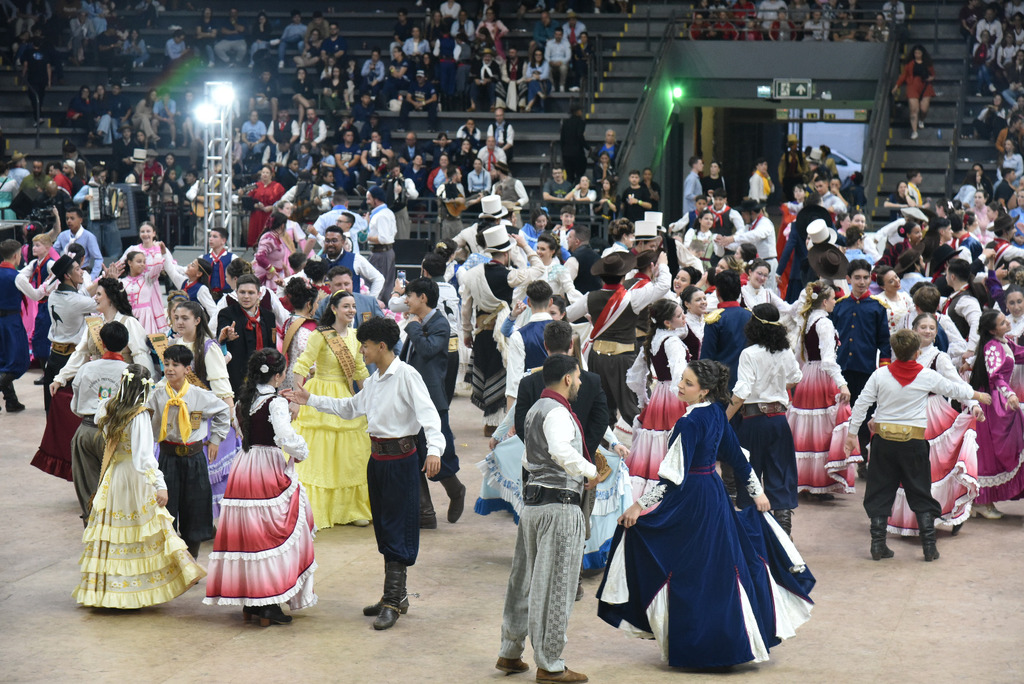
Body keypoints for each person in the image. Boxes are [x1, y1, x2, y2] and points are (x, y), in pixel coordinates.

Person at [597, 359, 814, 669]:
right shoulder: (714, 412)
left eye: (687, 383)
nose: (679, 386)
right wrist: (757, 491)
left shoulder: (690, 422)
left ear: (704, 391)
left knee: (688, 569)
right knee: (718, 569)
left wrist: (637, 506)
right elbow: (737, 459)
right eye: (681, 380)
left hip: (692, 501)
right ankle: (726, 642)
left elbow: (672, 478)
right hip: (713, 495)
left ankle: (700, 645)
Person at [284, 317, 445, 631]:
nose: (362, 352)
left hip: (401, 461)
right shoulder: (374, 381)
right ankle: (396, 595)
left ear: (381, 346)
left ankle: (392, 601)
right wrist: (310, 399)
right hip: (377, 462)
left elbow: (429, 415)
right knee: (384, 527)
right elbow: (349, 408)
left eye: (366, 346)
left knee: (399, 526)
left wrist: (436, 450)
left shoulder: (407, 376)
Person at [494, 354, 596, 682]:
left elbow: (527, 459)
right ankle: (550, 663)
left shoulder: (536, 410)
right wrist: (590, 471)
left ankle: (510, 652)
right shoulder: (558, 413)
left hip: (534, 506)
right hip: (560, 507)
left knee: (523, 581)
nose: (579, 382)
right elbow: (562, 451)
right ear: (567, 378)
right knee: (556, 585)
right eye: (577, 377)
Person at [846, 329, 989, 561]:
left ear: (894, 351)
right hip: (913, 443)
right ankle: (929, 546)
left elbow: (862, 404)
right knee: (920, 491)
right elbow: (953, 389)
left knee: (880, 491)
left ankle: (877, 545)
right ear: (916, 352)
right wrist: (978, 396)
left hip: (883, 443)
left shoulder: (880, 375)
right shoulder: (925, 376)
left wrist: (852, 434)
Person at [73, 364, 206, 608]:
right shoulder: (139, 415)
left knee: (114, 533)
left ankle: (108, 592)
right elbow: (143, 457)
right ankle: (132, 593)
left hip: (113, 475)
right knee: (139, 532)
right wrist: (160, 484)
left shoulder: (106, 407)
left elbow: (102, 428)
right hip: (134, 478)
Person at [204, 349, 316, 627]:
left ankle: (252, 602)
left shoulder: (243, 401)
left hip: (244, 465)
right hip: (268, 467)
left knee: (248, 533)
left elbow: (241, 432)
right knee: (269, 534)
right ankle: (266, 602)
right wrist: (301, 450)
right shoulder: (275, 402)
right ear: (278, 376)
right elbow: (284, 437)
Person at [886, 314, 982, 535]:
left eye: (931, 327)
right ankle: (912, 517)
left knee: (934, 467)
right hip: (905, 412)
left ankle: (943, 513)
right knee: (908, 466)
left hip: (933, 412)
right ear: (914, 329)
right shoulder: (902, 355)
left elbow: (955, 383)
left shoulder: (939, 357)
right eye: (923, 327)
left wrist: (973, 403)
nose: (927, 331)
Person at [292, 290, 373, 528]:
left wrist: (373, 395)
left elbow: (360, 372)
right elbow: (303, 364)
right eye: (346, 306)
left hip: (345, 397)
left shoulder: (357, 336)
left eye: (353, 306)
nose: (351, 311)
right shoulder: (321, 334)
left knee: (348, 456)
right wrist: (297, 397)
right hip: (318, 395)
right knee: (320, 455)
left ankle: (350, 508)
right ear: (334, 309)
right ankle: (313, 508)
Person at [565, 250, 671, 429]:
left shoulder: (589, 298)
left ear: (601, 277)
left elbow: (566, 315)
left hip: (597, 358)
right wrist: (663, 265)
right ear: (623, 276)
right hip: (624, 358)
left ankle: (603, 451)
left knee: (602, 409)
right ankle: (644, 449)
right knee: (632, 409)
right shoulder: (632, 298)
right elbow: (663, 286)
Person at [725, 303, 803, 535]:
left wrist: (723, 418)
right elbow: (795, 377)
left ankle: (754, 534)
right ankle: (783, 534)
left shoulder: (749, 354)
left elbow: (741, 394)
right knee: (780, 473)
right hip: (779, 420)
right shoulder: (785, 351)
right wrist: (776, 387)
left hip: (753, 421)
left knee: (749, 474)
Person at [148, 344, 231, 560]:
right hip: (167, 458)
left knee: (194, 509)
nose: (170, 369)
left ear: (187, 369)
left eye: (176, 365)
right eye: (166, 364)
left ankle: (191, 561)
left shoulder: (198, 395)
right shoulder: (156, 394)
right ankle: (169, 561)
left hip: (194, 459)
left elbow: (223, 410)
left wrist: (215, 439)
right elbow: (144, 419)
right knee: (166, 509)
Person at [460, 226, 545, 433]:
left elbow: (466, 308)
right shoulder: (509, 276)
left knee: (487, 371)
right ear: (506, 253)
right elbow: (540, 269)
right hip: (502, 333)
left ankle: (490, 422)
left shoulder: (471, 275)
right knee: (501, 373)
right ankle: (496, 422)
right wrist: (525, 245)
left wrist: (467, 332)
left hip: (481, 333)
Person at [397, 277, 466, 529]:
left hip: (432, 400)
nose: (406, 300)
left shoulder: (439, 323)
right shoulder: (419, 322)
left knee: (439, 453)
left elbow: (428, 350)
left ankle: (456, 490)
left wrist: (413, 327)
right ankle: (425, 512)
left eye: (410, 296)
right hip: (411, 399)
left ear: (423, 298)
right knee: (411, 454)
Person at [168, 300, 238, 518]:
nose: (179, 322)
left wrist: (224, 427)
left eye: (185, 318)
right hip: (179, 422)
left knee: (210, 476)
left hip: (206, 422)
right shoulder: (173, 345)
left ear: (197, 320)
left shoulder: (209, 347)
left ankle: (211, 524)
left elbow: (223, 390)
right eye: (176, 317)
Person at [789, 281, 857, 497]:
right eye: (833, 298)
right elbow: (828, 360)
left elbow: (801, 355)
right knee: (823, 430)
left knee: (808, 430)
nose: (835, 302)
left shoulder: (807, 320)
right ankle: (819, 482)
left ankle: (807, 480)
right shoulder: (824, 323)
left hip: (808, 375)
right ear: (825, 301)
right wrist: (842, 383)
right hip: (822, 378)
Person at [624, 299, 691, 500]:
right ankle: (671, 492)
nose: (683, 317)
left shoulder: (654, 340)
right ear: (667, 323)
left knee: (657, 443)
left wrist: (644, 399)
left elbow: (636, 376)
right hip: (674, 396)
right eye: (679, 315)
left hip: (659, 396)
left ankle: (648, 494)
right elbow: (679, 373)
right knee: (673, 441)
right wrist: (688, 398)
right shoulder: (672, 342)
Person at [65, 321, 130, 523]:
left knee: (87, 484)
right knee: (116, 484)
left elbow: (75, 404)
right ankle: (113, 528)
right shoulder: (130, 371)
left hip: (86, 429)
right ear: (126, 345)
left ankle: (91, 525)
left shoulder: (86, 369)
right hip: (116, 434)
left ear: (101, 342)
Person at [832, 259, 892, 462]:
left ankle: (865, 459)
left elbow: (884, 342)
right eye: (857, 277)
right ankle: (841, 457)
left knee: (866, 414)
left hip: (866, 369)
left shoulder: (877, 307)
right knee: (841, 414)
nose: (862, 282)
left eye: (866, 277)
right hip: (842, 370)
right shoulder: (839, 306)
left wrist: (884, 370)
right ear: (848, 279)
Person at [969, 310, 1024, 518]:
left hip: (999, 400)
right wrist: (1009, 394)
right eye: (1002, 322)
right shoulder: (992, 347)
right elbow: (995, 376)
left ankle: (983, 502)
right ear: (992, 330)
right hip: (991, 403)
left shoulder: (1004, 342)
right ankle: (982, 502)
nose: (1007, 322)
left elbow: (1020, 354)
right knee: (988, 454)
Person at [700, 269, 753, 389]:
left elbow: (706, 358)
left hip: (722, 383)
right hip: (748, 380)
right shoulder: (750, 316)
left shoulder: (715, 319)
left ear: (717, 292)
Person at [0, 239, 29, 413]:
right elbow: (36, 294)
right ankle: (10, 400)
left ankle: (11, 400)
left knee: (2, 361)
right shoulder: (16, 276)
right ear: (17, 255)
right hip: (11, 322)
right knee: (20, 361)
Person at [891, 44, 935, 140]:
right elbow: (903, 76)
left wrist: (930, 78)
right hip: (913, 85)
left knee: (924, 109)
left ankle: (921, 120)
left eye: (919, 53)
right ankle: (914, 131)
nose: (917, 55)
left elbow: (933, 74)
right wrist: (897, 86)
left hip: (925, 85)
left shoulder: (927, 64)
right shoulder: (910, 64)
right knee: (913, 110)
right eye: (915, 53)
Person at [366, 186, 398, 296]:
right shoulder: (388, 212)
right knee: (387, 285)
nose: (367, 202)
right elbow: (394, 232)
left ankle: (378, 310)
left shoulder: (381, 216)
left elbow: (383, 238)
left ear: (376, 199)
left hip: (380, 253)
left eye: (369, 198)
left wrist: (368, 237)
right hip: (386, 252)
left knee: (377, 285)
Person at [201, 226, 235, 299]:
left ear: (223, 241)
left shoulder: (232, 258)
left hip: (227, 295)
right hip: (208, 296)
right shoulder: (203, 258)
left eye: (215, 237)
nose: (210, 239)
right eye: (210, 236)